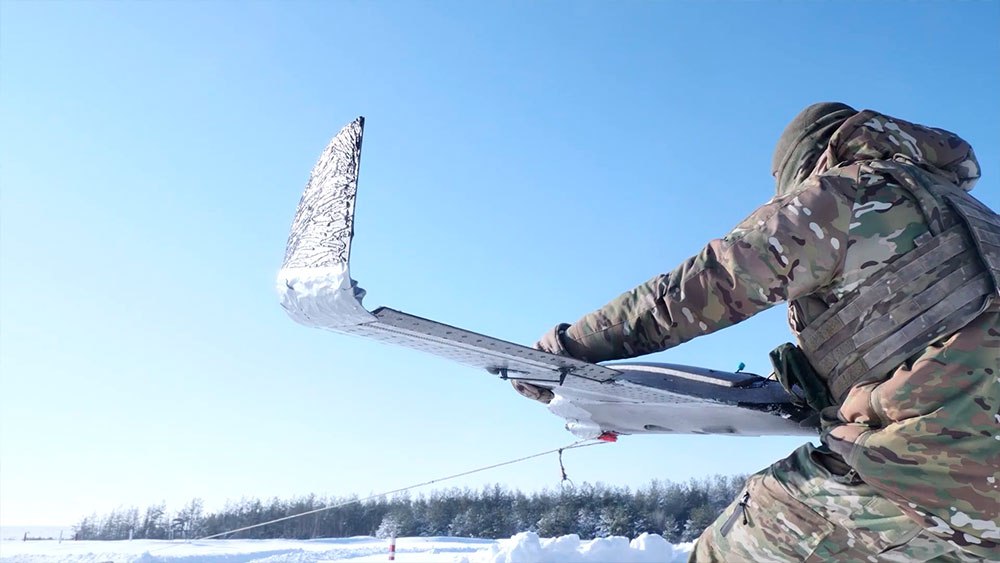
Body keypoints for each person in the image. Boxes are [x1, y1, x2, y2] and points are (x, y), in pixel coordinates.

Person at [513, 103, 1000, 562]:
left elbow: (697, 290)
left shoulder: (843, 195)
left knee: (726, 548)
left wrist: (568, 346)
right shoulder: (980, 222)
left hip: (933, 476)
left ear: (809, 157)